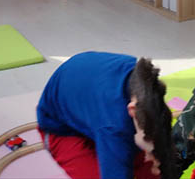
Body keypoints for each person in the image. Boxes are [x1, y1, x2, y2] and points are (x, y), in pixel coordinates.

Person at [37, 52, 174, 179]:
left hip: (91, 111)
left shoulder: (144, 79)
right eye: (149, 152)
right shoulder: (114, 127)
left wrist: (158, 158)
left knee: (153, 170)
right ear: (132, 110)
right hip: (61, 128)